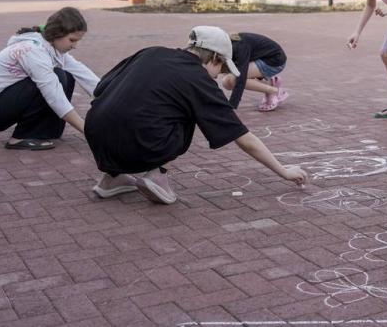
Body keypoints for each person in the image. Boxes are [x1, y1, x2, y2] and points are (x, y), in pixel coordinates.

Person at [83, 26, 308, 204]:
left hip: (95, 134)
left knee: (144, 108)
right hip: (142, 143)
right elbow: (243, 138)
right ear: (215, 59)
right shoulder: (198, 79)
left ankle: (111, 178)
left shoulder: (150, 51)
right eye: (222, 69)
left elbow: (101, 87)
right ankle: (157, 177)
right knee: (186, 112)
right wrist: (284, 171)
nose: (219, 76)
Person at [0, 7, 99, 151]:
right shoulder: (32, 50)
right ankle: (20, 137)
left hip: (4, 102)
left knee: (67, 75)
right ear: (57, 34)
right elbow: (54, 96)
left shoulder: (51, 47)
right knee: (55, 77)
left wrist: (108, 97)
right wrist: (88, 131)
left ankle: (47, 131)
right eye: (72, 40)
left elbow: (82, 72)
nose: (75, 46)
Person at [218, 32, 289, 112]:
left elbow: (241, 77)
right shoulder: (230, 45)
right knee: (227, 83)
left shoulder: (239, 47)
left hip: (275, 61)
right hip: (263, 57)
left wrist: (232, 105)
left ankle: (274, 91)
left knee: (231, 80)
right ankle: (271, 83)